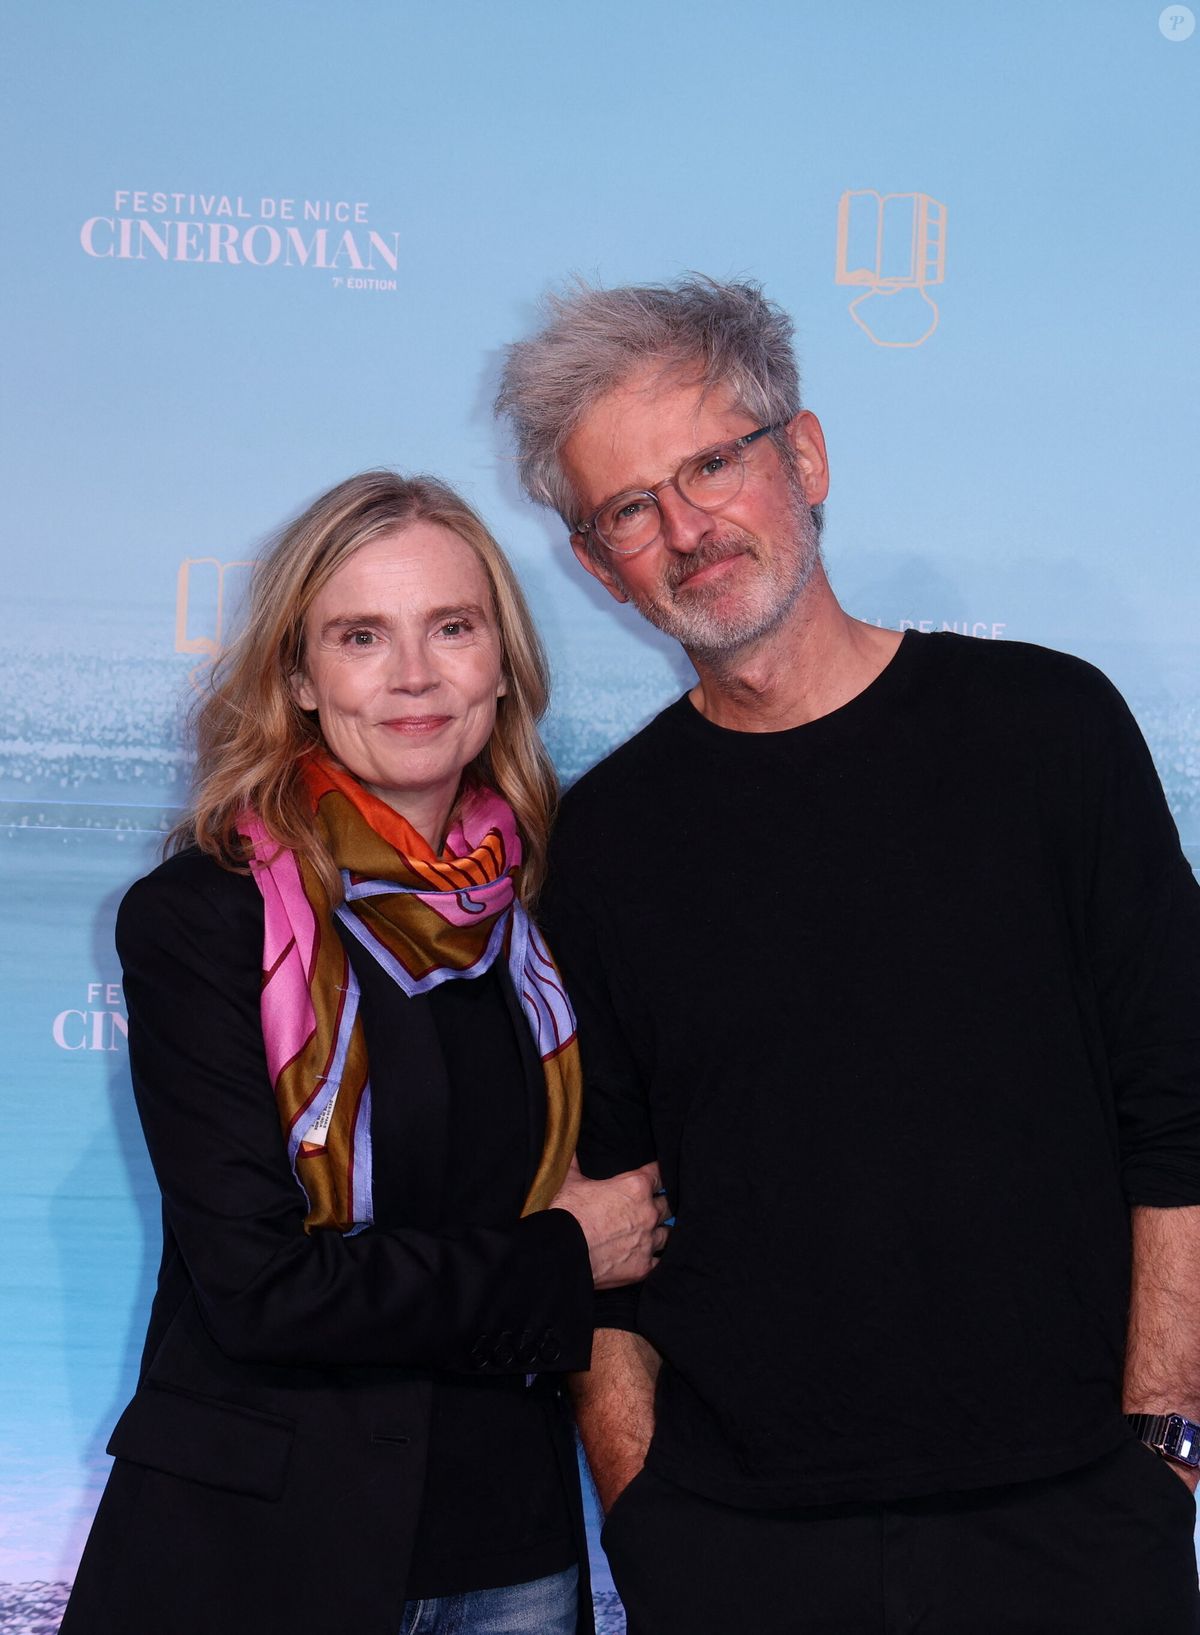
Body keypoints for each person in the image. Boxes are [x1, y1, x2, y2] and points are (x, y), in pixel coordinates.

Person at [495, 277, 1200, 1634]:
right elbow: (599, 1215)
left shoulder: (1048, 731)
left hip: (1073, 1524)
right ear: (598, 564)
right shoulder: (605, 842)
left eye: (711, 463)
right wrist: (641, 1506)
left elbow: (1181, 1110)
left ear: (802, 457)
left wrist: (1163, 1446)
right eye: (630, 507)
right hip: (739, 1549)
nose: (687, 527)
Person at [60, 470, 669, 1635]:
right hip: (254, 1550)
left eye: (452, 627)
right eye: (360, 636)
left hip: (513, 1549)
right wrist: (558, 1258)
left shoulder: (552, 912)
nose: (413, 675)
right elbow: (263, 1292)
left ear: (503, 660)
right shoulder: (204, 919)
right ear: (298, 676)